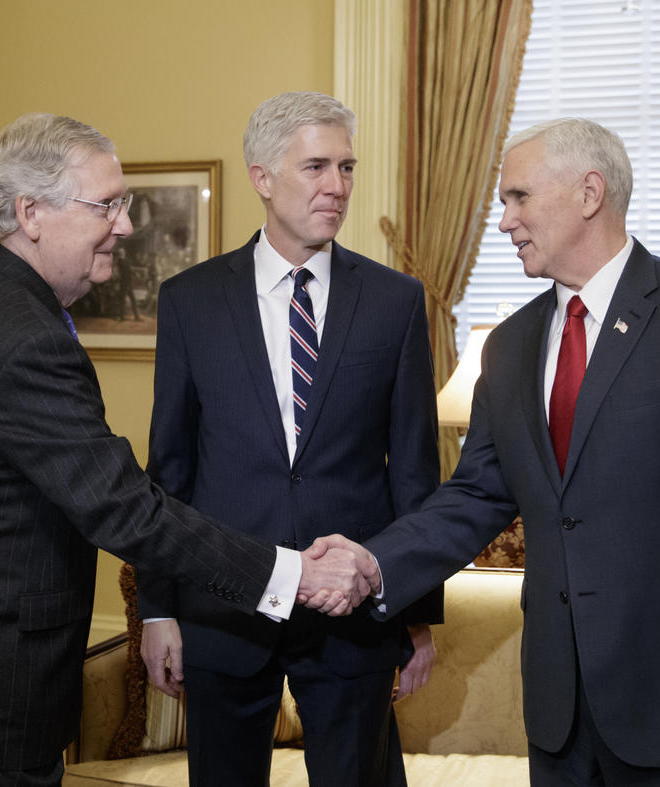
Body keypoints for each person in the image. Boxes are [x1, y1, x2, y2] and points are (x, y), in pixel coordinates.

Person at [0, 112, 374, 787]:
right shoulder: (21, 337)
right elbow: (127, 509)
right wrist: (294, 576)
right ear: (31, 213)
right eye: (106, 204)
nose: (127, 224)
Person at [315, 117, 660, 787]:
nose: (503, 221)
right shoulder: (512, 345)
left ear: (588, 192)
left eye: (518, 197)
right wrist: (375, 562)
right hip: (561, 718)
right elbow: (475, 494)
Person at [137, 91, 442, 787]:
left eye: (347, 167)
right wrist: (158, 608)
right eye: (315, 167)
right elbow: (169, 470)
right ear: (262, 177)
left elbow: (413, 474)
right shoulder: (191, 300)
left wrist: (416, 614)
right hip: (225, 609)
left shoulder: (396, 301)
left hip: (355, 618)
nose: (337, 186)